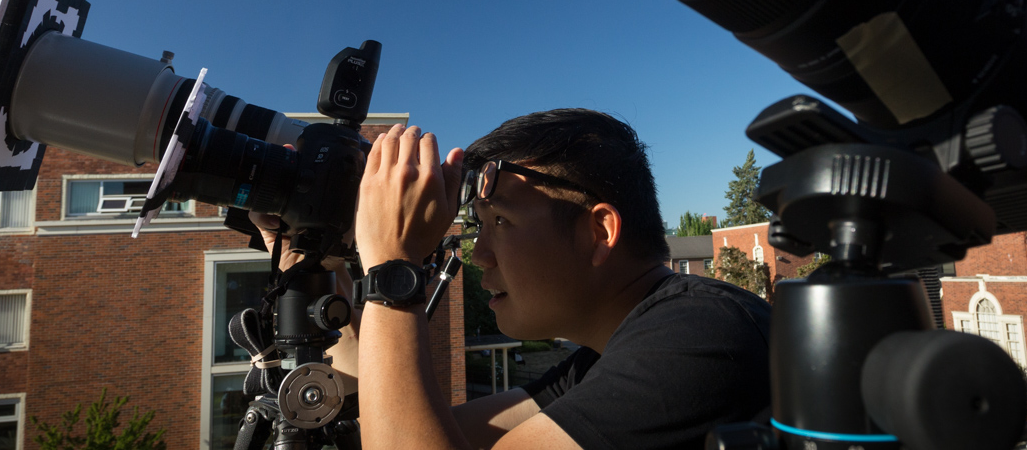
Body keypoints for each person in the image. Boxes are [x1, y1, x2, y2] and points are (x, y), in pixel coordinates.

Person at [257, 109, 772, 450]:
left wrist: (395, 267)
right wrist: (306, 255)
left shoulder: (699, 338)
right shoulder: (605, 357)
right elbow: (392, 425)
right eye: (480, 226)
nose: (479, 254)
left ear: (599, 231)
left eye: (500, 221)